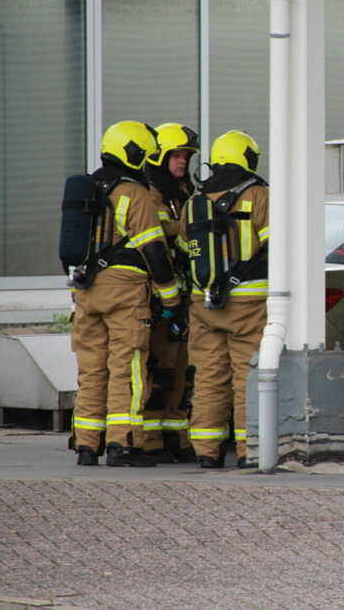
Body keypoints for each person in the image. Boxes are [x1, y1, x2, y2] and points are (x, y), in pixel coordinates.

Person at [71, 121, 181, 467]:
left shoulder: (89, 187)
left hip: (87, 292)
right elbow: (156, 253)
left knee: (91, 371)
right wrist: (171, 299)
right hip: (124, 294)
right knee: (127, 368)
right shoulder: (135, 193)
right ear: (132, 153)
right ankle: (124, 444)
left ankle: (87, 446)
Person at [178, 130, 269, 469]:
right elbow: (276, 246)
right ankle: (251, 450)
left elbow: (188, 248)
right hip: (248, 304)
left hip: (204, 302)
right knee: (248, 378)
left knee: (208, 377)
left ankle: (206, 451)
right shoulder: (258, 195)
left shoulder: (195, 199)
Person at [141, 122, 198, 463]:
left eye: (186, 157)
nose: (181, 162)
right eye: (175, 156)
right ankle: (150, 439)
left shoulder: (185, 194)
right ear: (160, 157)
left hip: (184, 294)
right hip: (158, 296)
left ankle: (176, 436)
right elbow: (166, 231)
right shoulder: (150, 193)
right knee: (158, 370)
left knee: (182, 370)